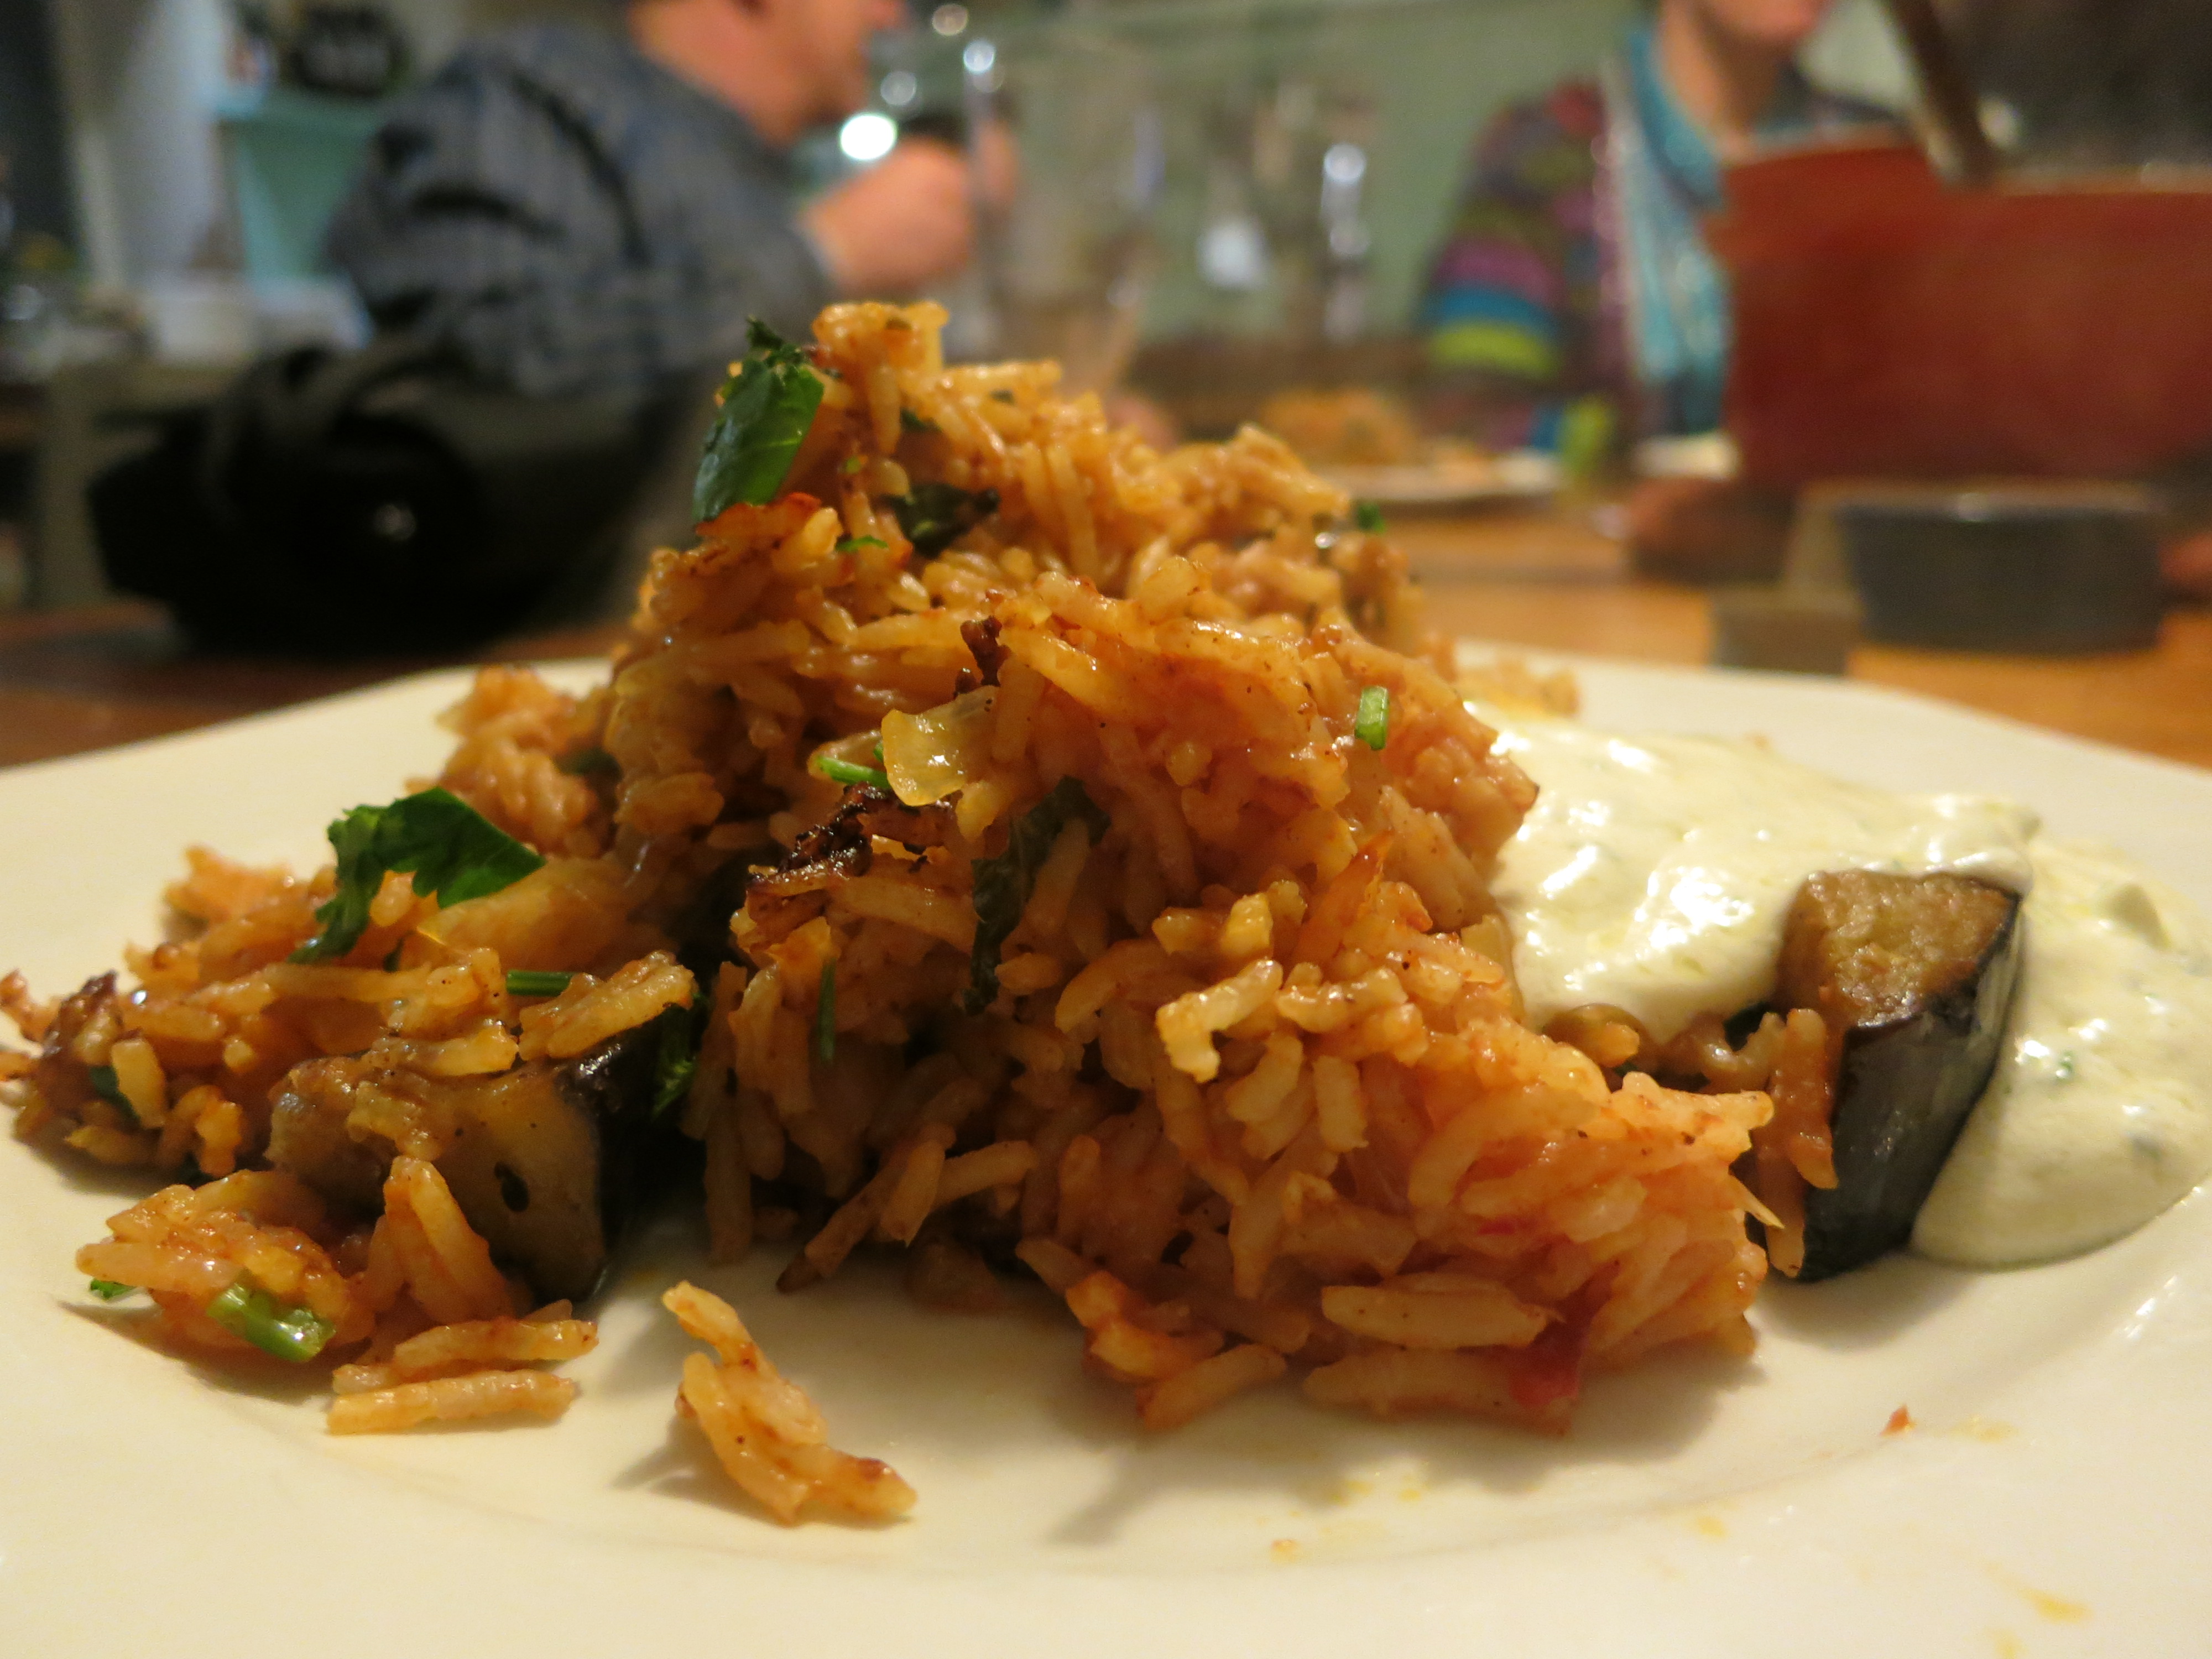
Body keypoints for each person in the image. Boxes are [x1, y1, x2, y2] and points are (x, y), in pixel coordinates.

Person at [326, 0, 982, 406]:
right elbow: (486, 371)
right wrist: (822, 255)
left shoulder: (748, 161)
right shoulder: (524, 91)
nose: (892, 18)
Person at [1420, 0, 1890, 452]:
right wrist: (1621, 450)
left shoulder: (1880, 157)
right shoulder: (1546, 157)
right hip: (1600, 508)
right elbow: (1469, 417)